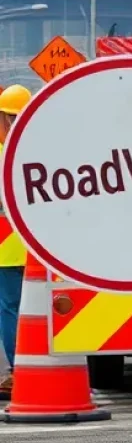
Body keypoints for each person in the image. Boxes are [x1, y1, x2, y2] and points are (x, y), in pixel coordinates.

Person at [0, 84, 32, 399]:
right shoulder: (34, 150)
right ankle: (26, 365)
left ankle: (18, 369)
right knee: (33, 312)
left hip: (7, 252)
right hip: (37, 253)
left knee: (9, 310)